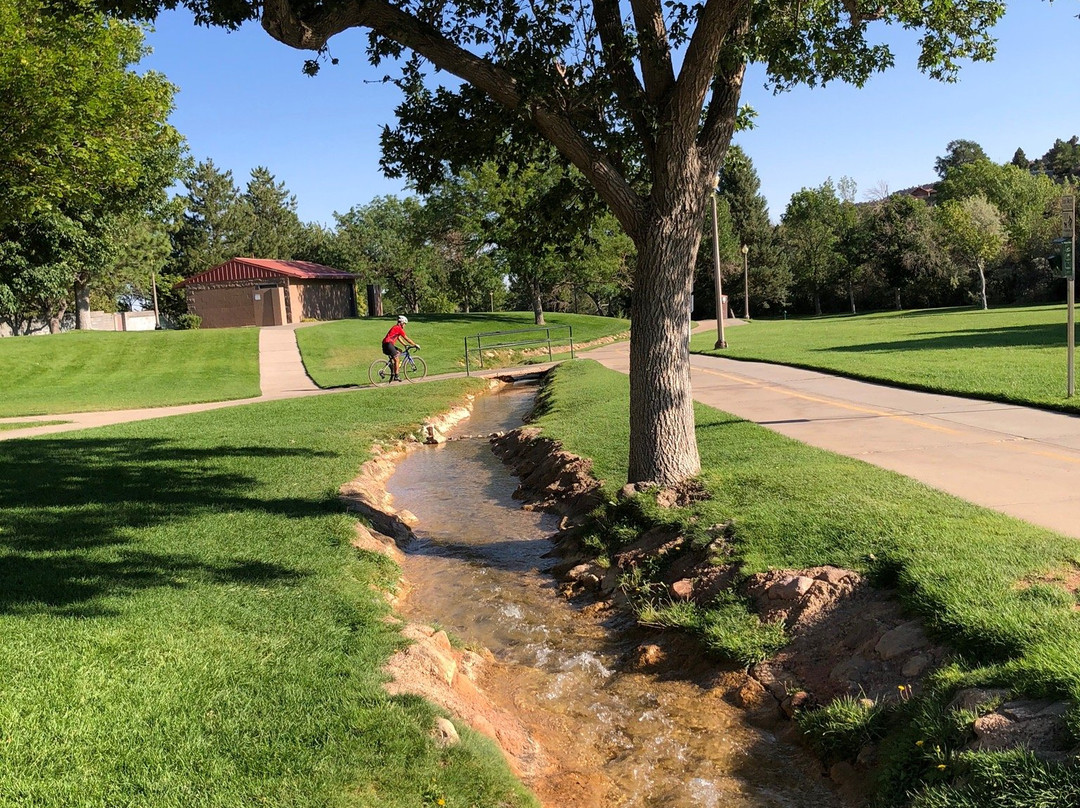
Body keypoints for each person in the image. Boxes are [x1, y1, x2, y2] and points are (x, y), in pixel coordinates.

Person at [382, 315, 419, 381]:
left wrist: (405, 345)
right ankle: (396, 376)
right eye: (404, 324)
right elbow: (406, 338)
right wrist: (415, 344)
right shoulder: (399, 329)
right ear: (401, 323)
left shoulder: (395, 327)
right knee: (397, 359)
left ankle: (395, 368)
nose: (405, 325)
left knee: (400, 351)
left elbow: (398, 338)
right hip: (388, 344)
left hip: (386, 344)